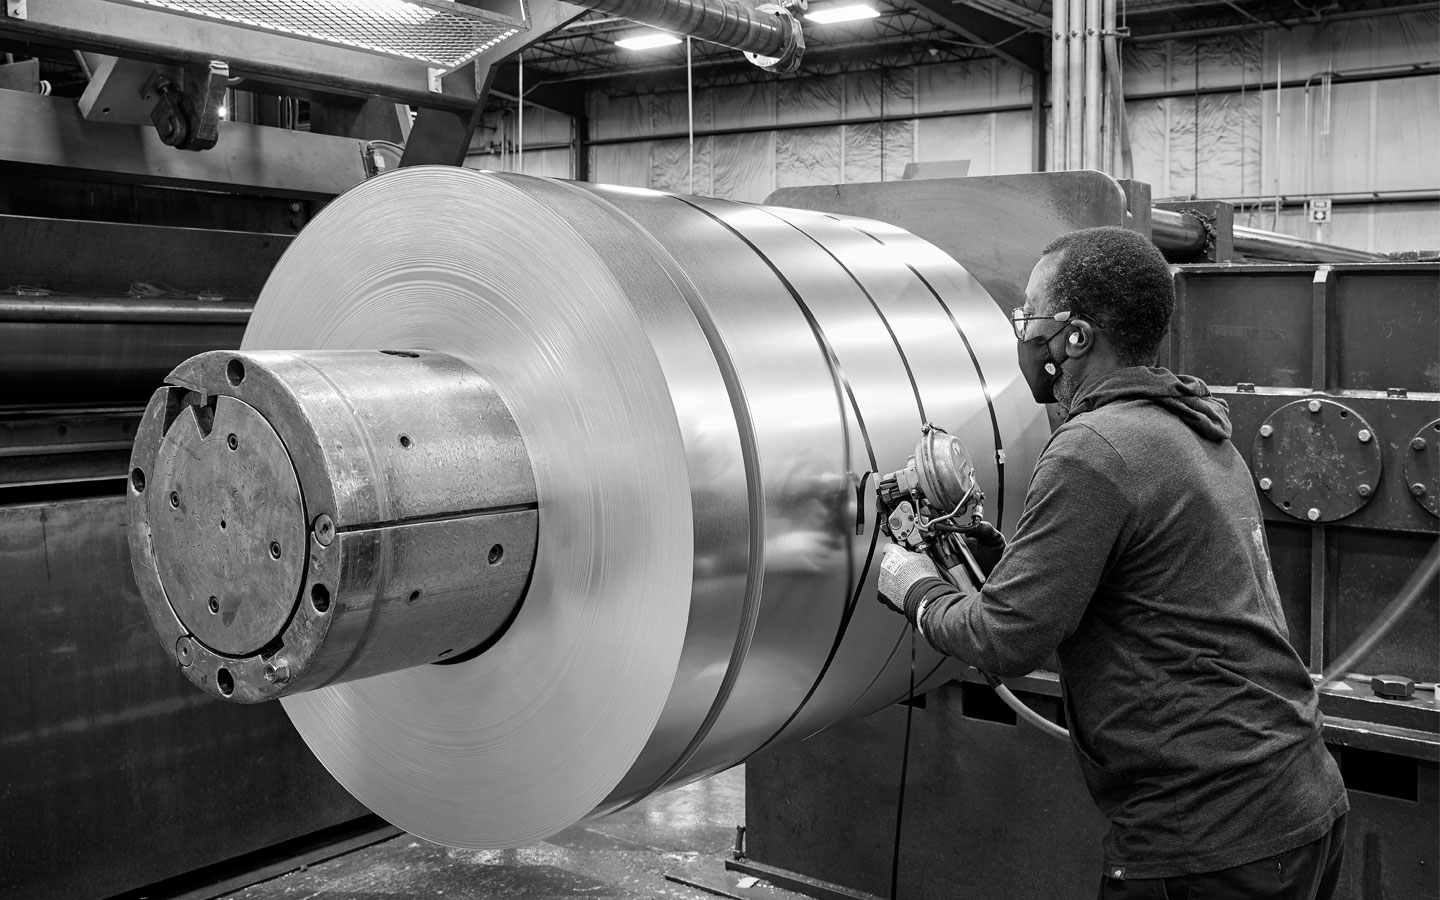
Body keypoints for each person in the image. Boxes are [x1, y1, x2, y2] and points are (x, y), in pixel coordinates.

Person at [877, 226, 1349, 900]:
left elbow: (1003, 641)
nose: (1023, 336)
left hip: (1211, 836)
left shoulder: (1093, 449)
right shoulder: (1189, 427)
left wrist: (910, 585)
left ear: (1075, 337)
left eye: (1030, 317)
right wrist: (994, 552)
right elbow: (1132, 590)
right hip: (1295, 796)